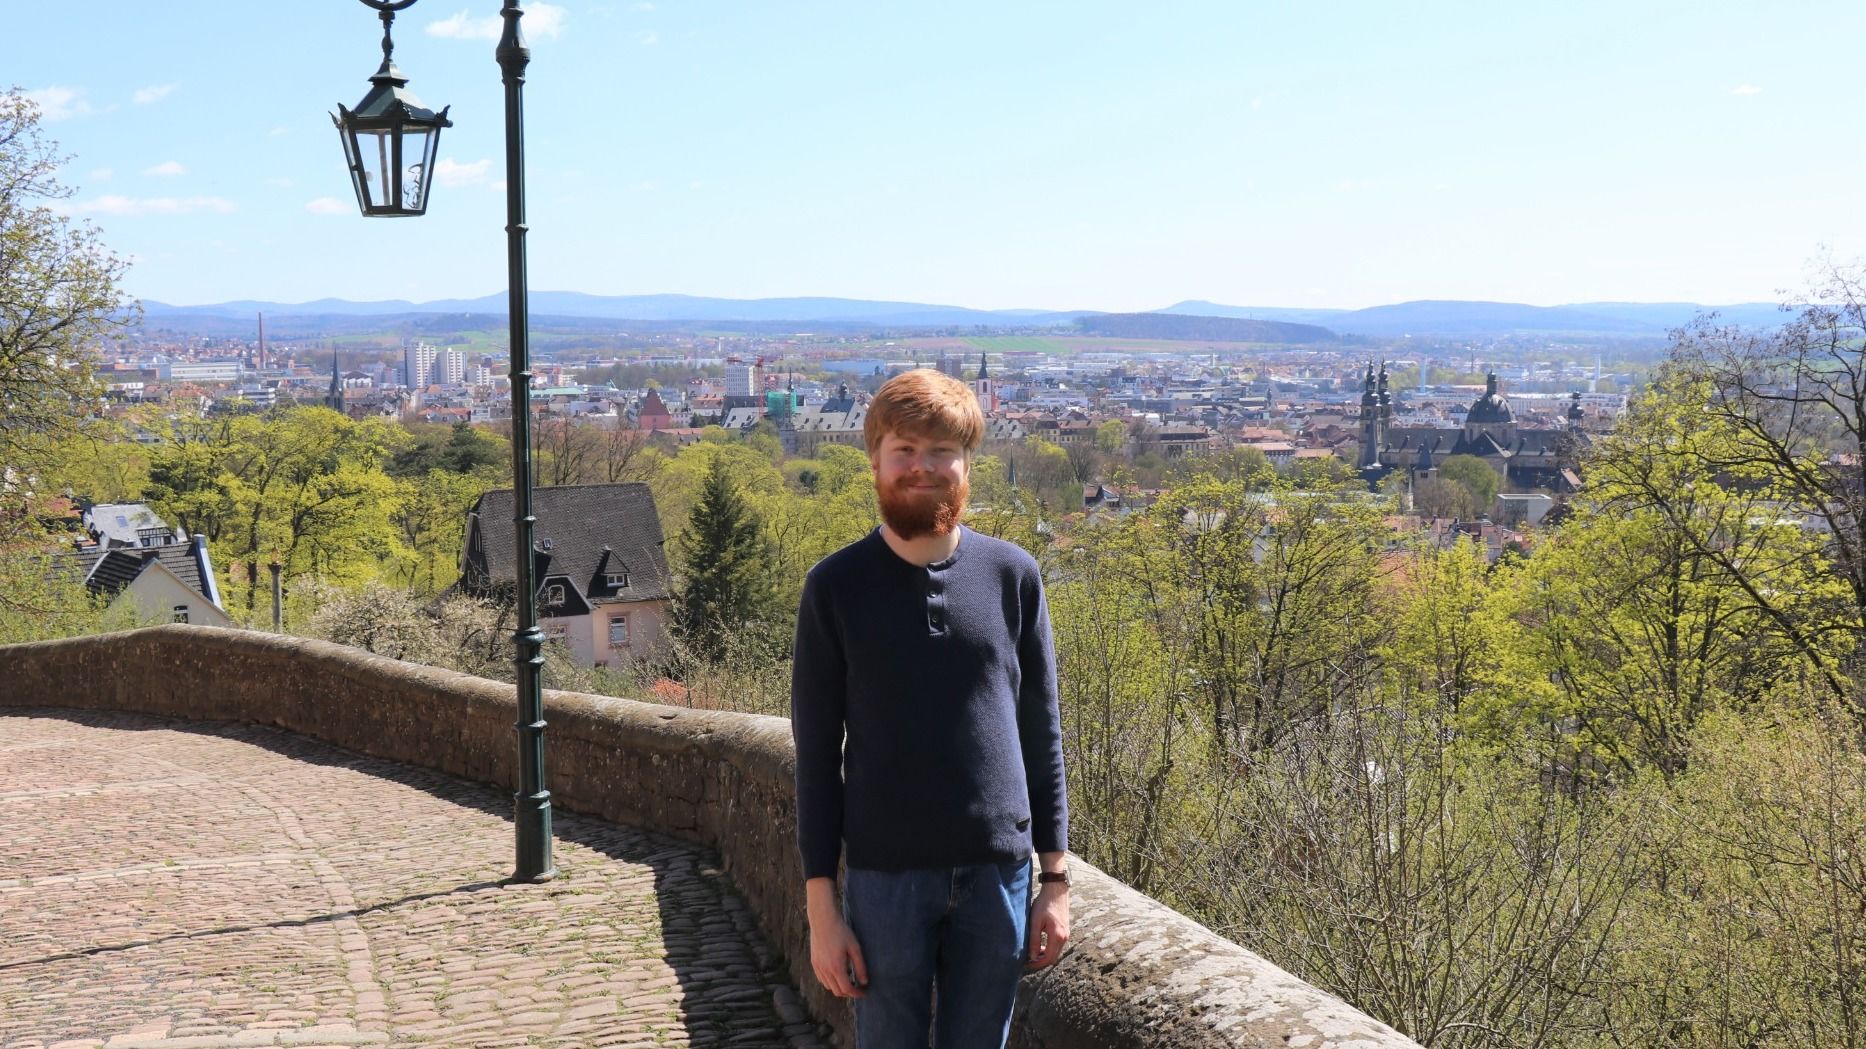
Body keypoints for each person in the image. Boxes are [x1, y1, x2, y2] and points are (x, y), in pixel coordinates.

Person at [790, 368, 1072, 1049]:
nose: (922, 468)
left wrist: (1056, 878)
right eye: (903, 451)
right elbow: (818, 757)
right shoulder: (835, 587)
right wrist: (822, 908)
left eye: (940, 450)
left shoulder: (1014, 575)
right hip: (886, 878)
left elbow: (1042, 732)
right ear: (876, 462)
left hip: (997, 871)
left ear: (967, 461)